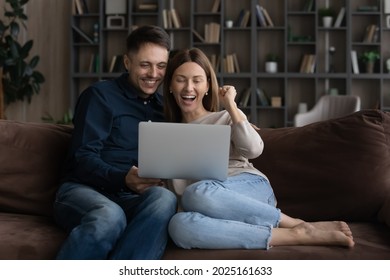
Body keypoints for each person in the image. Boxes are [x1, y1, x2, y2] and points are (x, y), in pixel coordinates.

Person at [163, 48, 355, 250]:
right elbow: (174, 194)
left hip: (248, 188)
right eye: (181, 80)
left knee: (197, 193)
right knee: (179, 226)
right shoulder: (164, 135)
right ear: (170, 86)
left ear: (208, 86)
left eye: (197, 80)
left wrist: (231, 106)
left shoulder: (226, 117)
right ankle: (297, 235)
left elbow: (254, 149)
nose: (188, 87)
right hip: (215, 206)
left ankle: (294, 223)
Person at [53, 25, 177, 259]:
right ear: (127, 62)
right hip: (84, 190)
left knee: (164, 199)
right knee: (109, 216)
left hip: (132, 198)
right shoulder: (100, 96)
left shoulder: (165, 108)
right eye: (145, 64)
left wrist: (233, 121)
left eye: (161, 66)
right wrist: (122, 178)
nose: (154, 74)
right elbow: (82, 159)